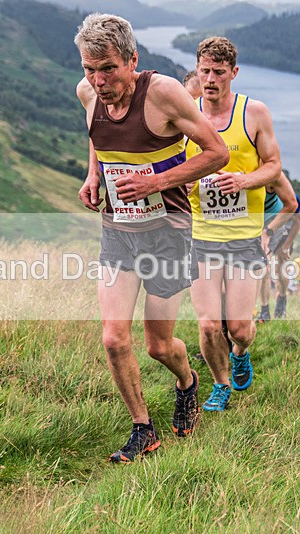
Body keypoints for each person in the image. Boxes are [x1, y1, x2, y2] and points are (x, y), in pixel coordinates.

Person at [75, 14, 229, 463]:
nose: (99, 80)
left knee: (159, 345)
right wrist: (94, 174)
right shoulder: (87, 93)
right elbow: (97, 135)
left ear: (132, 60)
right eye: (90, 68)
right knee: (113, 338)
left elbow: (216, 153)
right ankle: (143, 428)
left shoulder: (163, 93)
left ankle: (187, 383)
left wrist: (156, 182)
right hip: (118, 231)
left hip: (168, 232)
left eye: (108, 68)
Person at [186, 36, 282, 411]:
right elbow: (171, 167)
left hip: (244, 236)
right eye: (204, 71)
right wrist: (186, 180)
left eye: (219, 72)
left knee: (238, 328)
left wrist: (243, 180)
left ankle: (240, 352)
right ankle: (220, 384)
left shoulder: (254, 113)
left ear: (234, 73)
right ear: (197, 69)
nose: (210, 79)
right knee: (209, 325)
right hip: (201, 236)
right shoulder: (185, 114)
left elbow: (274, 166)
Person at [255, 174, 300, 322]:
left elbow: (298, 221)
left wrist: (287, 245)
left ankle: (282, 300)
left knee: (280, 274)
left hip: (285, 233)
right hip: (263, 228)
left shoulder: (286, 192)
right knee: (264, 268)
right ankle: (264, 312)